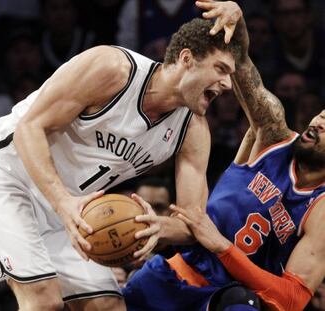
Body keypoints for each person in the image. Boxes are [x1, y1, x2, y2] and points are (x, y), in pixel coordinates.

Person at [0, 8, 241, 311]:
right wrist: (64, 204)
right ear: (186, 59)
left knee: (108, 306)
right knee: (42, 301)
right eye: (220, 69)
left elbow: (193, 220)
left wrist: (159, 226)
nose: (228, 85)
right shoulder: (113, 68)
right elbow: (29, 129)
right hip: (3, 174)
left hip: (68, 209)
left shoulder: (192, 130)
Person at [123, 1, 325, 310]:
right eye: (322, 116)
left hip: (232, 298)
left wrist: (222, 247)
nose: (319, 122)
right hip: (174, 274)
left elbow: (292, 299)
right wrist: (236, 19)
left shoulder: (321, 209)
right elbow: (241, 65)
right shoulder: (273, 135)